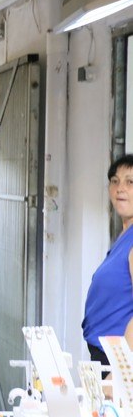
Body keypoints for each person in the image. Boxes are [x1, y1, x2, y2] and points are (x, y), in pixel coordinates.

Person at [83, 155, 133, 368]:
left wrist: (123, 371)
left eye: (130, 182)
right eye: (115, 180)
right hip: (105, 355)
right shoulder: (124, 236)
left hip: (120, 362)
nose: (120, 188)